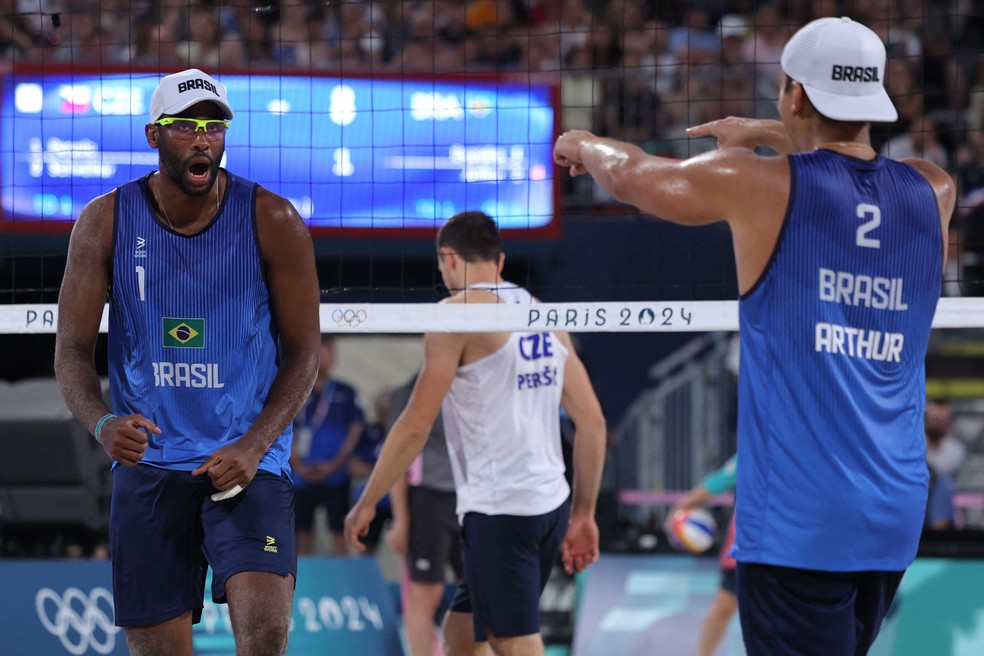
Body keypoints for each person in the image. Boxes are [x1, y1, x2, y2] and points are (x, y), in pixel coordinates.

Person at [554, 16, 955, 656]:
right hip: (893, 511)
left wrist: (587, 142)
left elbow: (635, 176)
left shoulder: (756, 182)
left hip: (802, 520)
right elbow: (852, 159)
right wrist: (773, 132)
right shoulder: (933, 191)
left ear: (796, 94)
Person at [53, 68, 321, 656]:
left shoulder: (273, 219)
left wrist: (255, 445)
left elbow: (306, 354)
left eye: (213, 126)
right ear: (154, 135)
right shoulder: (106, 220)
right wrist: (101, 423)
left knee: (267, 632)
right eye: (185, 127)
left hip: (246, 462)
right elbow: (71, 351)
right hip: (150, 464)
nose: (203, 138)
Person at [344, 211, 607, 656]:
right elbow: (593, 424)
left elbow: (413, 425)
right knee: (462, 634)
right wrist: (583, 514)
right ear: (499, 261)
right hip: (550, 505)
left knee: (513, 641)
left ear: (447, 258)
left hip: (502, 510)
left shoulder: (456, 316)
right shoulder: (544, 313)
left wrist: (368, 500)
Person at [385, 373, 463, 656]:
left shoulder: (477, 381)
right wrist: (402, 521)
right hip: (428, 499)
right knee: (425, 595)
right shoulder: (409, 390)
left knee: (482, 594)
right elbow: (396, 454)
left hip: (474, 497)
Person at [291, 335, 366, 556]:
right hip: (300, 476)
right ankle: (303, 584)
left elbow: (355, 431)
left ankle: (342, 583)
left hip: (336, 476)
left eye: (327, 354)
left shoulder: (346, 391)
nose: (322, 360)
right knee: (301, 532)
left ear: (334, 358)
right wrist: (296, 464)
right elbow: (284, 429)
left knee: (340, 530)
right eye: (318, 354)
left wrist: (334, 465)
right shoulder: (295, 390)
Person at [667, 455, 739, 656]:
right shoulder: (761, 441)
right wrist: (680, 507)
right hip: (749, 544)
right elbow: (722, 479)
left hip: (795, 544)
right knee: (725, 605)